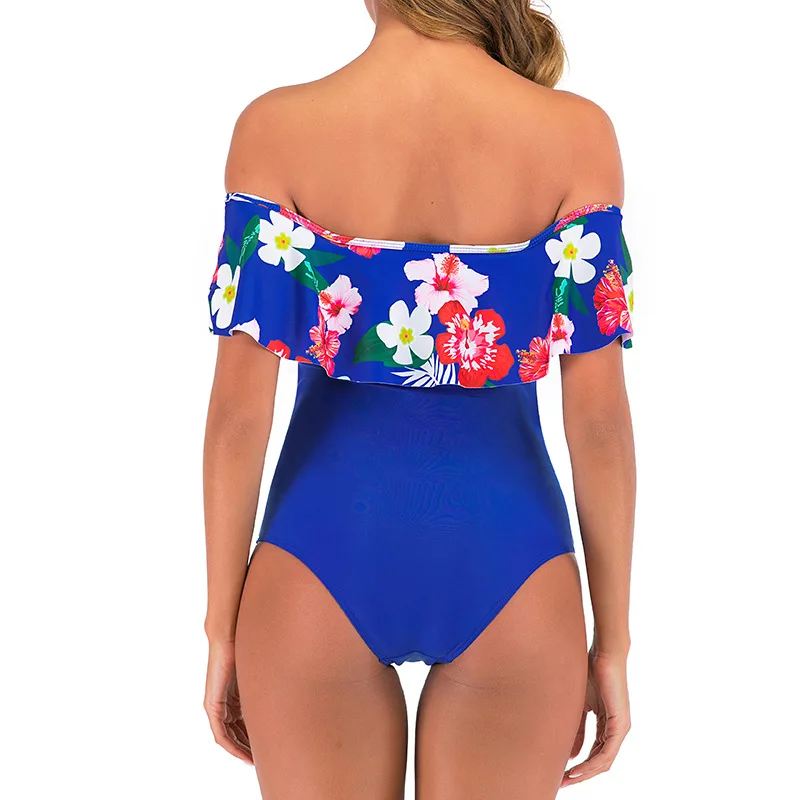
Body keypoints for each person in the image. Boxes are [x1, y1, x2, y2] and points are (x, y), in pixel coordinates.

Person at [202, 1, 636, 797]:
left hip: (316, 557)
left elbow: (238, 422)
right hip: (515, 563)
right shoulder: (578, 134)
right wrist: (612, 642)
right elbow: (600, 425)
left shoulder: (276, 128)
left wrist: (221, 629)